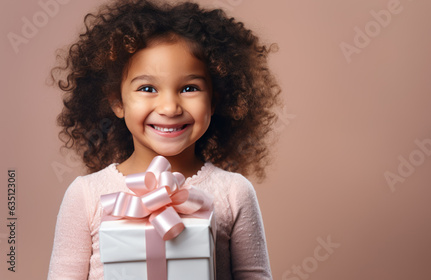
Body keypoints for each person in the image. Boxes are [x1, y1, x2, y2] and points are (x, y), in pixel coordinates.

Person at [47, 0, 281, 279]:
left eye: (189, 88)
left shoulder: (234, 193)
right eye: (147, 88)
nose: (170, 107)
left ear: (215, 101)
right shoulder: (85, 196)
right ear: (117, 102)